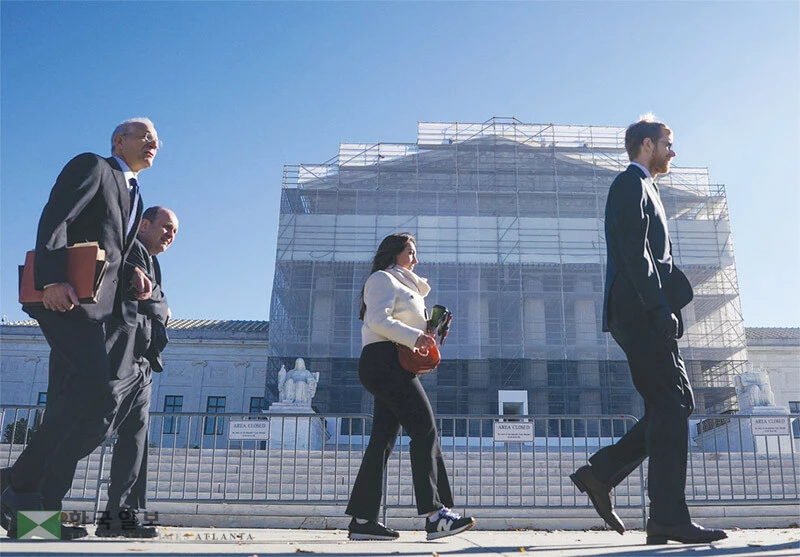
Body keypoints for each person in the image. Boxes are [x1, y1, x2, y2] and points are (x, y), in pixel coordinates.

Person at [569, 117, 727, 545]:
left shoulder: (646, 188)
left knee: (677, 403)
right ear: (645, 145)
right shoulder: (629, 184)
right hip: (639, 309)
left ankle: (600, 474)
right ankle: (667, 517)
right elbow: (636, 253)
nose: (672, 152)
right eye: (667, 144)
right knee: (672, 403)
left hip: (644, 307)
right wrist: (659, 307)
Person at [0, 118, 159, 540]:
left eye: (157, 141)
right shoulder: (93, 166)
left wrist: (133, 275)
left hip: (96, 310)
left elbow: (109, 247)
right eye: (145, 137)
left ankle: (27, 508)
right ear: (118, 141)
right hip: (65, 298)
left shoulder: (134, 194)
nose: (153, 145)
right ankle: (16, 483)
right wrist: (51, 279)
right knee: (92, 388)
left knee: (76, 399)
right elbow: (56, 216)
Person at [345, 233, 475, 541]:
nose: (415, 258)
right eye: (410, 252)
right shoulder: (382, 279)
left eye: (415, 253)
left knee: (382, 441)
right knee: (424, 428)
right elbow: (378, 320)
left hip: (392, 363)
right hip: (384, 361)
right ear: (394, 253)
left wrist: (430, 329)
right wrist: (414, 337)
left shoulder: (408, 286)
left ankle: (363, 520)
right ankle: (436, 515)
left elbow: (404, 324)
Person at [95, 206, 177, 537]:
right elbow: (148, 300)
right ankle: (15, 490)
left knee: (135, 440)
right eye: (166, 227)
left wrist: (157, 302)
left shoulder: (151, 259)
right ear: (143, 225)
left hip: (140, 360)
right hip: (114, 356)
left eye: (175, 232)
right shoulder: (128, 248)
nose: (171, 235)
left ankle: (121, 516)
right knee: (84, 433)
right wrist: (160, 302)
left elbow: (151, 301)